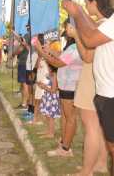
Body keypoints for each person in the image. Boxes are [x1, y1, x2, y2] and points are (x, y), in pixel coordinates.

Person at [63, 0, 113, 175]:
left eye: (86, 2)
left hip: (95, 81)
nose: (85, 5)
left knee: (90, 126)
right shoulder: (105, 23)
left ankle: (87, 170)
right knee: (101, 128)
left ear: (94, 3)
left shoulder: (102, 25)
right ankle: (99, 163)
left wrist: (76, 35)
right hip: (101, 81)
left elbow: (87, 56)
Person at [34, 22, 83, 157]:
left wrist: (40, 51)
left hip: (70, 86)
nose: (65, 32)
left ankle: (66, 149)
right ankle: (64, 142)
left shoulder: (75, 48)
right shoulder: (72, 47)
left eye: (67, 29)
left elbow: (57, 63)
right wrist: (49, 51)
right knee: (66, 117)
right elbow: (61, 56)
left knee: (70, 118)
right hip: (66, 86)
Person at [38, 64, 60, 138]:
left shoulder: (54, 76)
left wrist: (44, 87)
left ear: (51, 68)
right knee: (47, 115)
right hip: (48, 97)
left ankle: (51, 133)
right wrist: (43, 85)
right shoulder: (51, 75)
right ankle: (48, 131)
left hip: (52, 98)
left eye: (48, 66)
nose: (47, 68)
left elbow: (53, 90)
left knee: (50, 116)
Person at [12, 26, 31, 110]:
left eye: (27, 26)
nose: (26, 27)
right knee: (27, 83)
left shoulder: (28, 35)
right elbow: (21, 39)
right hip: (30, 61)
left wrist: (13, 54)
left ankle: (24, 103)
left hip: (24, 61)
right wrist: (13, 32)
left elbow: (21, 47)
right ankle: (26, 103)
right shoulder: (34, 34)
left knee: (24, 84)